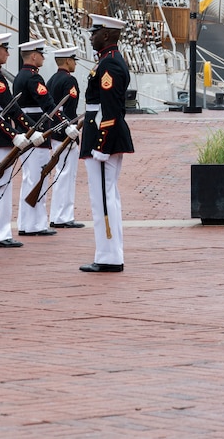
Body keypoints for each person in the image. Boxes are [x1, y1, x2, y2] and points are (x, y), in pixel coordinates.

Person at [79, 14, 134, 273]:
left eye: (95, 32)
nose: (91, 37)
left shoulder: (109, 65)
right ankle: (109, 253)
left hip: (103, 139)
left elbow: (110, 111)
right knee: (106, 195)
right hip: (100, 134)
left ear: (108, 35)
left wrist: (101, 146)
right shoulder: (108, 61)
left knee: (102, 198)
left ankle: (109, 257)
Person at [14, 39, 79, 237]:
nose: (43, 57)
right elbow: (51, 106)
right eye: (41, 54)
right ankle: (36, 224)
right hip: (38, 132)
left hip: (29, 131)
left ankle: (26, 222)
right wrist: (67, 125)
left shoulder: (21, 76)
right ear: (34, 56)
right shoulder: (34, 78)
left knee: (30, 179)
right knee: (38, 179)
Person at [0, 33, 36, 249]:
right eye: (5, 50)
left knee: (0, 183)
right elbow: (9, 105)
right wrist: (22, 130)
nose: (8, 54)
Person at [47, 46, 84, 229]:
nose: (75, 63)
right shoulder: (70, 81)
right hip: (65, 134)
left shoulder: (51, 79)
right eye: (74, 60)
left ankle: (58, 214)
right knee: (66, 175)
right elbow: (68, 109)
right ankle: (63, 216)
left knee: (61, 173)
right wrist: (70, 128)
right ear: (68, 61)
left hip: (54, 132)